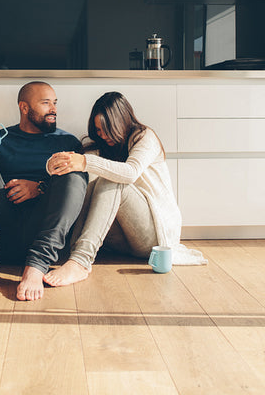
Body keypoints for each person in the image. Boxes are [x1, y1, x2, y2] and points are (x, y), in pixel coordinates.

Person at [44, 91, 206, 287]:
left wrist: (86, 161)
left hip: (153, 236)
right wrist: (53, 166)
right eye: (98, 130)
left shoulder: (145, 137)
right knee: (85, 175)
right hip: (121, 240)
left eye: (106, 129)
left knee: (109, 180)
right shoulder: (101, 146)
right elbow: (75, 171)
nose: (102, 135)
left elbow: (130, 172)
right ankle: (73, 252)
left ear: (121, 121)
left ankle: (81, 261)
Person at [0, 81, 88, 302]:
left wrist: (39, 187)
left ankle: (35, 269)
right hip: (1, 240)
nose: (54, 110)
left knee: (75, 171)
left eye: (55, 103)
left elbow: (74, 190)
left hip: (46, 242)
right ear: (24, 107)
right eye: (45, 103)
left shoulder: (66, 142)